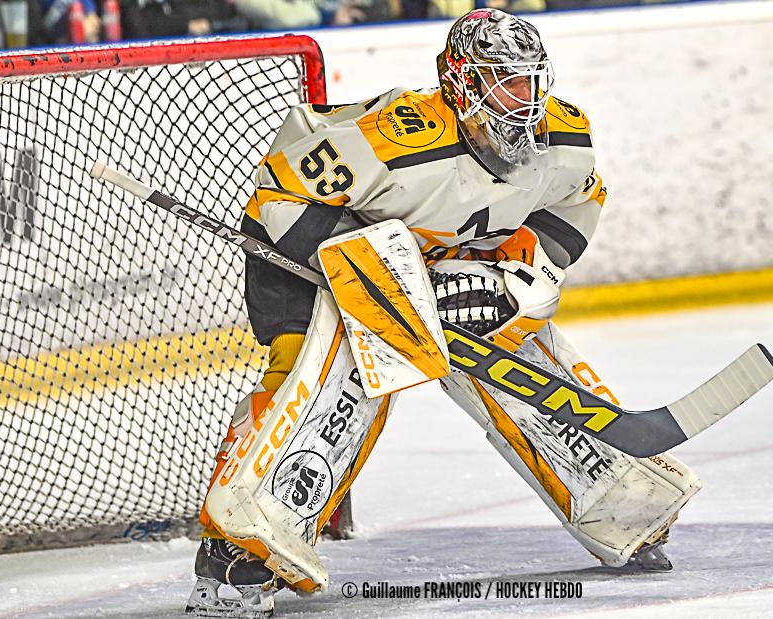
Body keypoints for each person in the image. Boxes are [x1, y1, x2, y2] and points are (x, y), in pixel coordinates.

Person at [187, 9, 701, 617]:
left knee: (509, 344)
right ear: (461, 81)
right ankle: (240, 551)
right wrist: (374, 277)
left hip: (436, 261)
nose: (525, 98)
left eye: (531, 80)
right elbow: (281, 193)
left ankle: (620, 499)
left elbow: (574, 206)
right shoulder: (397, 141)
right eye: (505, 81)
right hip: (314, 254)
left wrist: (520, 267)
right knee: (337, 375)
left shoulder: (563, 138)